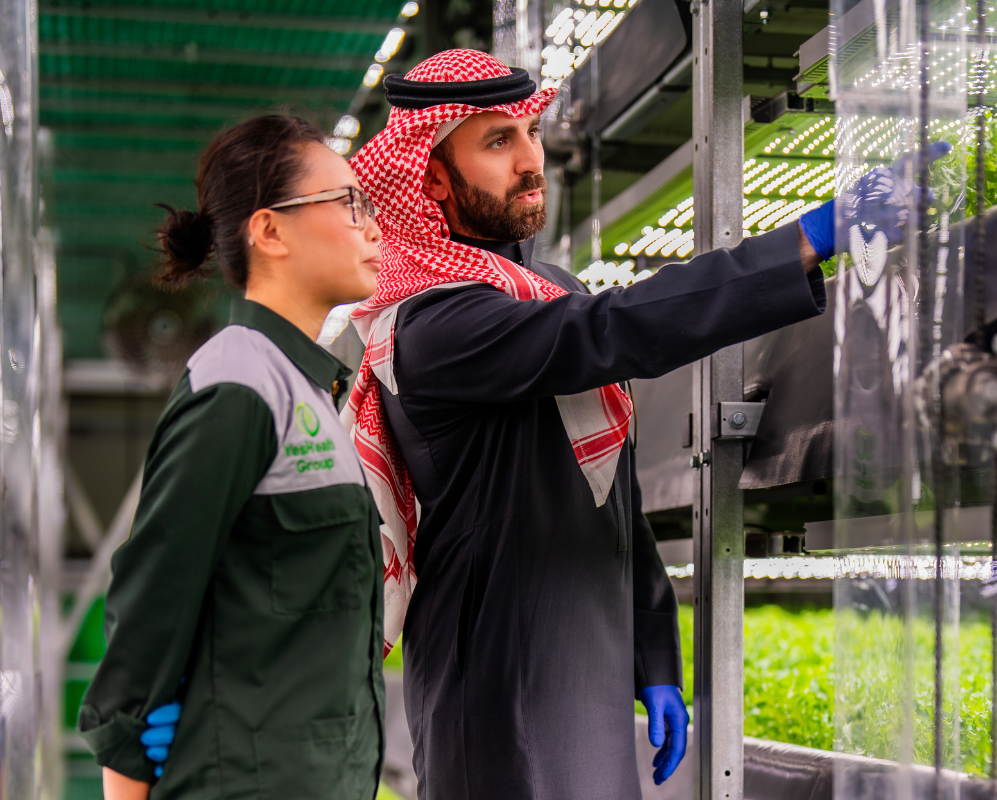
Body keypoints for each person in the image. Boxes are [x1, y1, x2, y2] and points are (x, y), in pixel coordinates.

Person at [340, 49, 834, 800]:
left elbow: (613, 503)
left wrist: (654, 660)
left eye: (531, 133)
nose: (531, 160)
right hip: (497, 670)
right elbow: (604, 329)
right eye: (497, 142)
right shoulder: (432, 324)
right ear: (432, 176)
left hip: (591, 659)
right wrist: (799, 244)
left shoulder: (547, 292)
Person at [77, 115, 387, 800]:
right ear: (269, 231)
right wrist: (123, 766)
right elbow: (152, 595)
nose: (371, 225)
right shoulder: (240, 386)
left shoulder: (308, 389)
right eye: (346, 203)